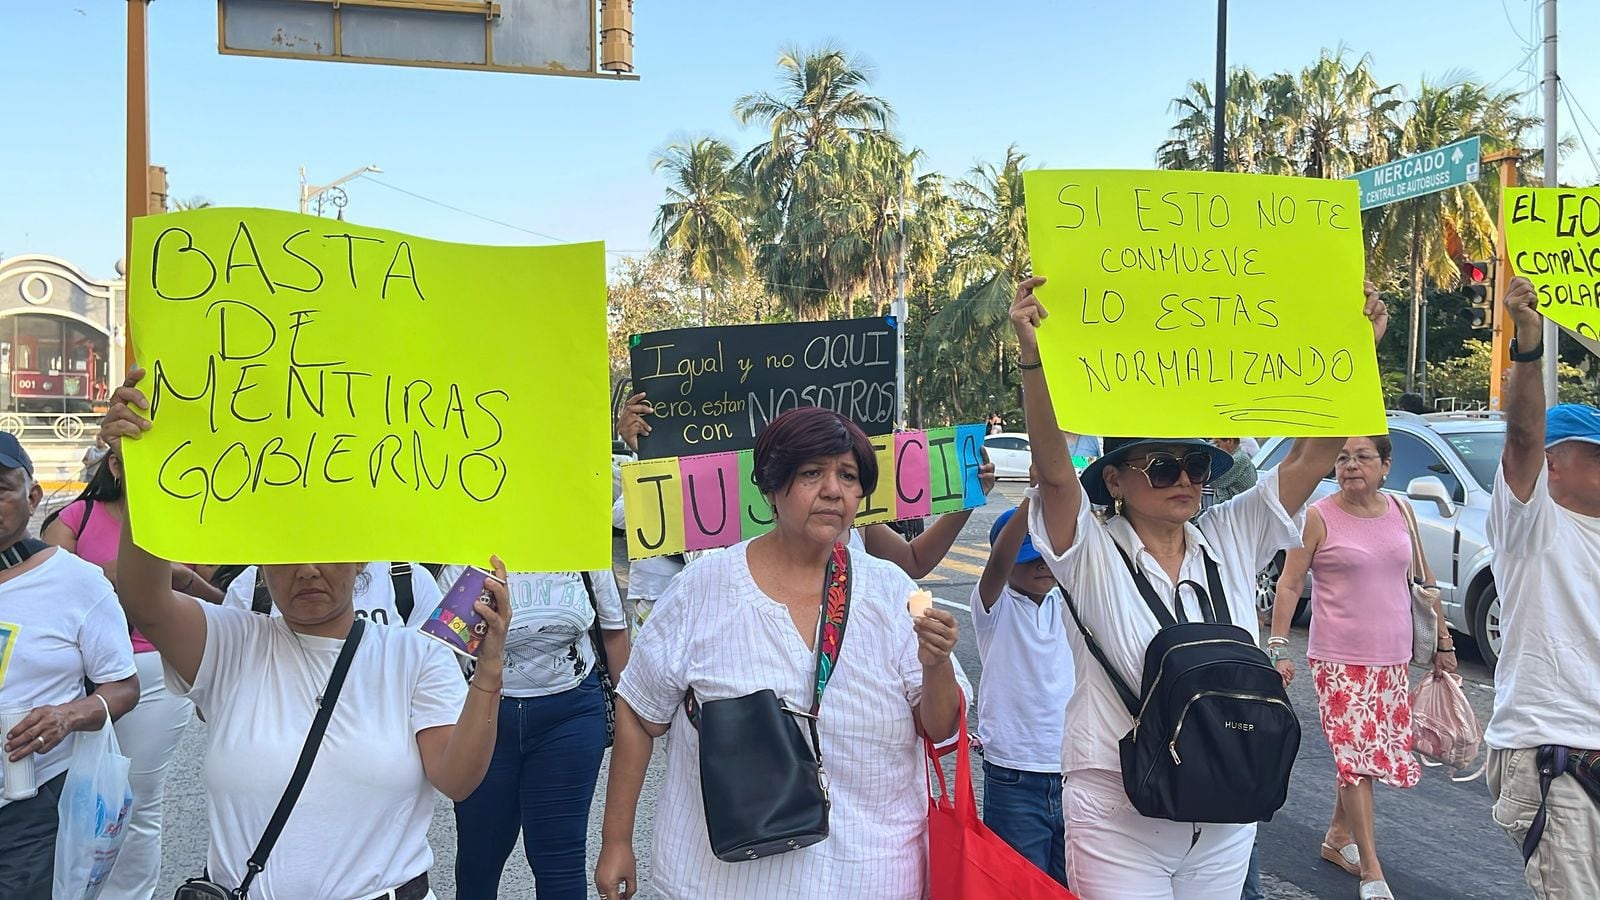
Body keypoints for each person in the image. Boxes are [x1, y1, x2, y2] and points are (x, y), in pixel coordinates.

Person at [1008, 275, 1388, 899]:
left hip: (1225, 802)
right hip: (1117, 807)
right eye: (1161, 466)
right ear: (1116, 481)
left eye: (1197, 464)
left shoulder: (1229, 533)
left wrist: (1359, 356)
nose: (1184, 478)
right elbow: (1053, 473)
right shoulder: (1091, 550)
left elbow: (1307, 461)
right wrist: (1034, 358)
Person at [100, 370, 508, 900]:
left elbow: (457, 778)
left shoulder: (414, 656)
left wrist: (490, 676)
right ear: (261, 560)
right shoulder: (231, 644)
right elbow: (145, 600)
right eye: (289, 551)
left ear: (363, 555)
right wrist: (145, 475)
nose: (309, 569)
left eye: (328, 548)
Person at [595, 406, 963, 900]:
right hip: (718, 880)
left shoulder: (892, 592)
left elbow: (940, 727)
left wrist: (935, 664)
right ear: (770, 487)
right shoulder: (703, 589)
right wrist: (616, 840)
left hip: (870, 873)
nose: (833, 489)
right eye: (812, 473)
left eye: (848, 476)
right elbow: (641, 713)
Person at [1269, 434, 1452, 899]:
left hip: (1393, 657)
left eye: (1363, 457)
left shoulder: (1401, 511)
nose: (1351, 465)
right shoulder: (1318, 516)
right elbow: (1290, 584)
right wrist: (1277, 645)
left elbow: (1424, 582)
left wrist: (1444, 642)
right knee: (1354, 757)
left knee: (1368, 756)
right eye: (1343, 457)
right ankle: (1372, 869)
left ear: (1385, 466)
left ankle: (1338, 836)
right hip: (1337, 659)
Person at [39, 450, 222, 899]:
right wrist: (109, 575)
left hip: (156, 668)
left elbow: (225, 604)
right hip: (77, 670)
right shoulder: (75, 518)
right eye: (132, 461)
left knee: (136, 798)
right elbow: (45, 588)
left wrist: (180, 580)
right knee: (63, 793)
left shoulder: (190, 517)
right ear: (116, 467)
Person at [1483, 276, 1600, 898]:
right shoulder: (1531, 524)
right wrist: (1528, 344)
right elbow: (1522, 436)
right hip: (1557, 756)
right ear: (1556, 461)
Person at [435, 564, 630, 900]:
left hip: (570, 718)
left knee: (561, 858)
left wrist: (632, 726)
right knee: (479, 856)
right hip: (483, 722)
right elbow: (441, 656)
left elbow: (613, 633)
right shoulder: (463, 553)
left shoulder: (580, 546)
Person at [0, 433, 139, 899]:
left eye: (1, 487)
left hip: (28, 802)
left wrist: (67, 716)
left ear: (33, 496)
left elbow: (122, 687)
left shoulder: (75, 582)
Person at [973, 496, 1073, 885]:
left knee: (1071, 884)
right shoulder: (993, 607)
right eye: (1029, 556)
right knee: (1018, 885)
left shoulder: (1065, 603)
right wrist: (1034, 497)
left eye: (1046, 553)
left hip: (1071, 770)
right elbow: (998, 563)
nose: (1041, 564)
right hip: (1014, 775)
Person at [222, 560, 441, 629]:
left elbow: (438, 702)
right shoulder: (249, 587)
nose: (308, 571)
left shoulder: (409, 580)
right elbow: (213, 704)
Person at [1206, 439, 1258, 506]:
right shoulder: (1234, 457)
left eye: (1218, 444)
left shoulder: (1238, 460)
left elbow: (1214, 482)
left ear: (1230, 441)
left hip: (1239, 509)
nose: (1216, 447)